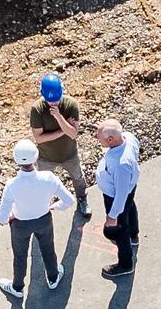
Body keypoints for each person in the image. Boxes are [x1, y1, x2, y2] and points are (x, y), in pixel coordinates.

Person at [0, 138, 67, 302]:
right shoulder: (48, 177)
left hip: (20, 225)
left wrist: (10, 217)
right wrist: (55, 206)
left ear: (15, 160)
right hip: (44, 220)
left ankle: (17, 288)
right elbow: (69, 200)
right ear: (36, 158)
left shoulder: (11, 185)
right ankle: (53, 277)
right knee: (48, 250)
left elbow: (1, 218)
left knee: (20, 257)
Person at [30, 74, 88, 213]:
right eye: (50, 101)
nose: (53, 104)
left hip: (69, 154)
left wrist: (58, 117)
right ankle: (43, 207)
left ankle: (82, 200)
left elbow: (73, 134)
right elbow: (39, 138)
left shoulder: (71, 105)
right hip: (46, 157)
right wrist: (64, 130)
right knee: (43, 183)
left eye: (56, 100)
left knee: (78, 178)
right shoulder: (37, 109)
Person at [93, 119, 143, 277]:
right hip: (130, 187)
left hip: (115, 196)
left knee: (120, 228)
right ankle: (133, 236)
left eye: (99, 136)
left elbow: (121, 194)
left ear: (110, 140)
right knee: (130, 207)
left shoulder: (121, 164)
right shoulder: (128, 137)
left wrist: (112, 216)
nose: (96, 137)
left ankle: (126, 264)